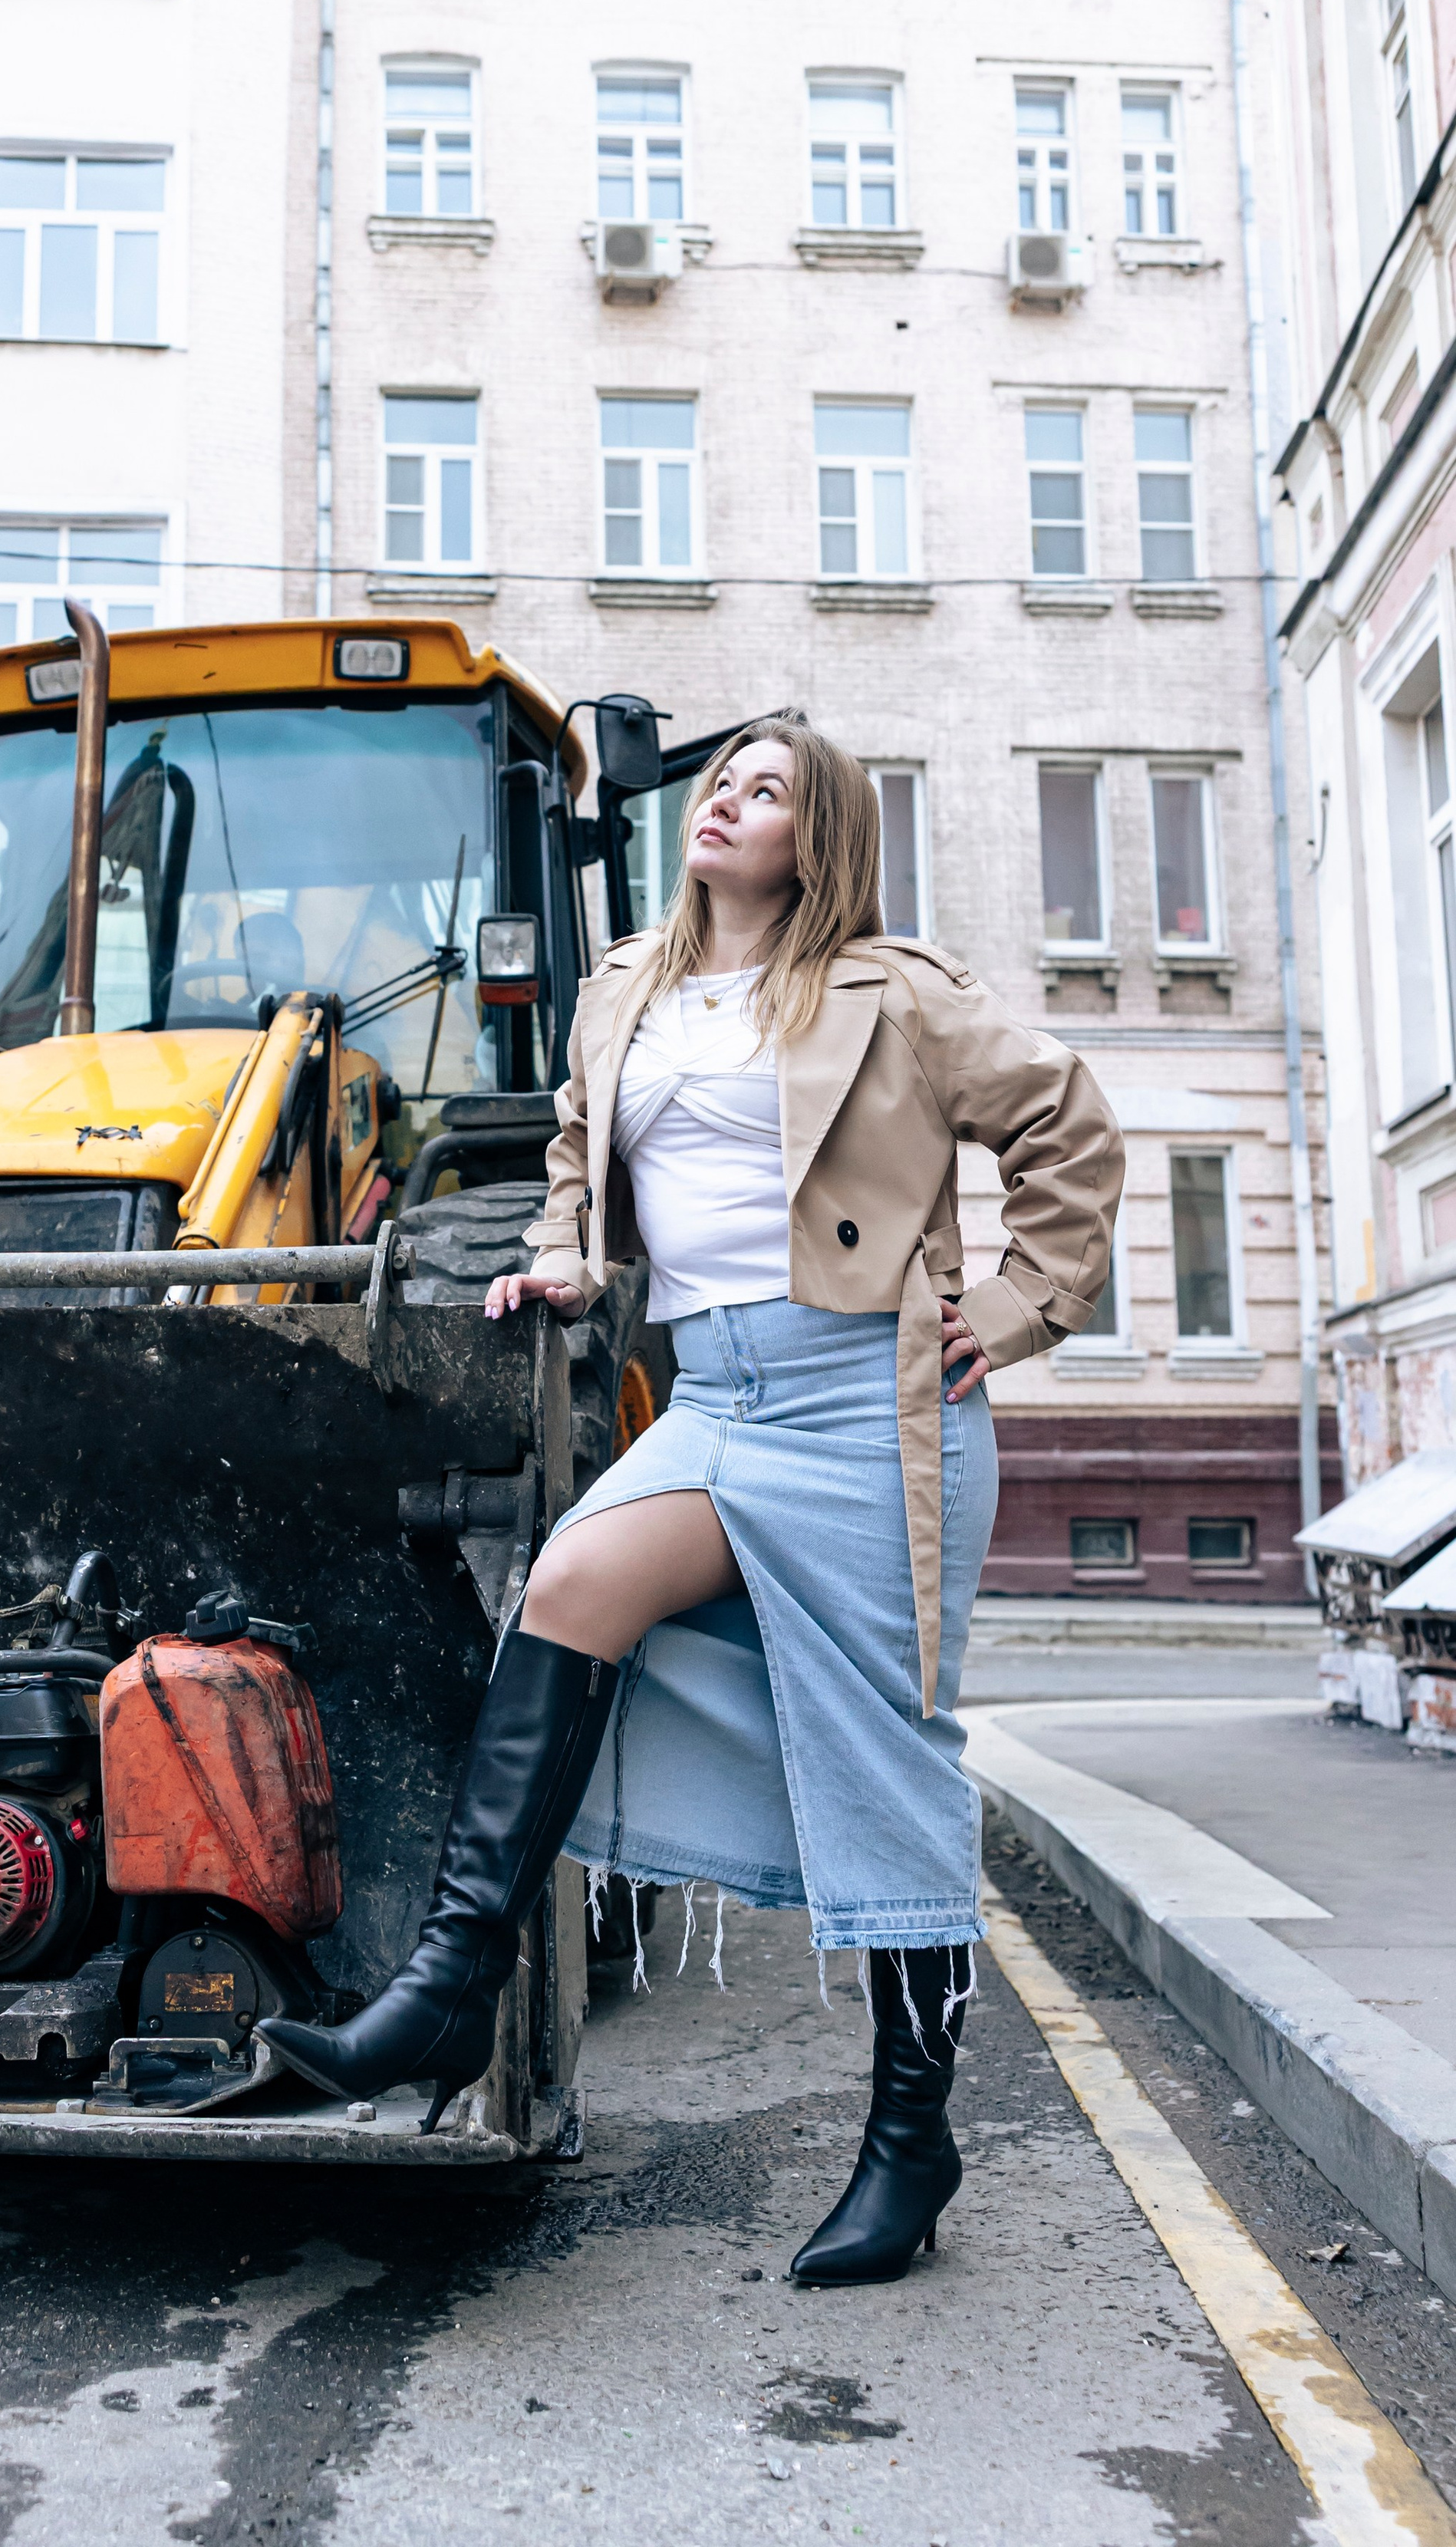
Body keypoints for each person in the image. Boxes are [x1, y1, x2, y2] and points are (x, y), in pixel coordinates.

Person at [259, 716, 1123, 2285]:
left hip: (867, 1408)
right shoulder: (625, 989)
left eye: (767, 789)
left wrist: (1004, 1311)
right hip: (718, 1401)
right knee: (572, 1590)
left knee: (885, 1766)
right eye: (720, 780)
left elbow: (1065, 1125)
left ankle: (907, 2142)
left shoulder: (893, 991)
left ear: (820, 838)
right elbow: (581, 1165)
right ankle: (449, 1991)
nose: (726, 799)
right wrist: (568, 1254)